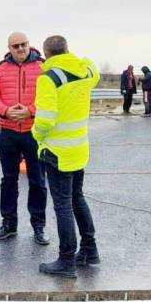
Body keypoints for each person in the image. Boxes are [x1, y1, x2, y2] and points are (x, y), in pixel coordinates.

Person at [32, 35, 101, 278]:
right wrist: (76, 58)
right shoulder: (85, 72)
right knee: (77, 199)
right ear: (67, 50)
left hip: (58, 152)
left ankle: (66, 260)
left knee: (63, 206)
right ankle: (90, 252)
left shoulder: (48, 79)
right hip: (79, 150)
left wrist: (36, 136)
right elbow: (95, 70)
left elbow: (45, 120)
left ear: (46, 54)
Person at [0, 31, 49, 245]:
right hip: (8, 132)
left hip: (34, 132)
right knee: (9, 179)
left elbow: (50, 98)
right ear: (9, 48)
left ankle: (39, 226)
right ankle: (9, 224)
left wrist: (30, 110)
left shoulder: (43, 67)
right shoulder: (0, 69)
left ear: (29, 45)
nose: (20, 49)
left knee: (38, 180)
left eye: (24, 44)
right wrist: (5, 111)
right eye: (16, 46)